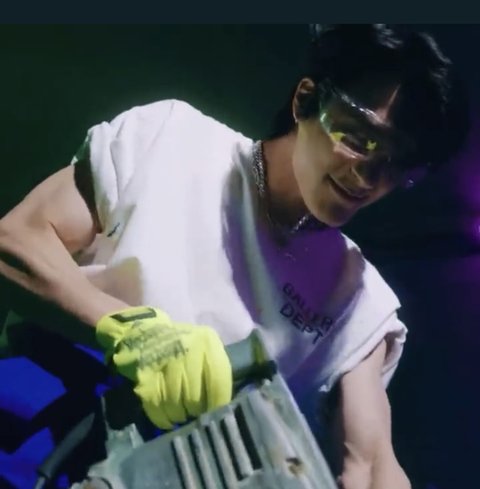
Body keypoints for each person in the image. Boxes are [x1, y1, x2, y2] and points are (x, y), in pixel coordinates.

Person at [0, 24, 469, 489]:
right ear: (306, 100)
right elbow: (15, 241)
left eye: (394, 163)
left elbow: (372, 465)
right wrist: (127, 331)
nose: (367, 177)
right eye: (359, 138)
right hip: (40, 431)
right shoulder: (171, 138)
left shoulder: (359, 301)